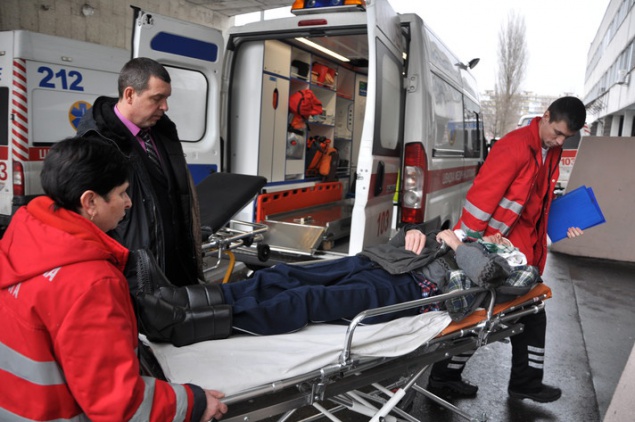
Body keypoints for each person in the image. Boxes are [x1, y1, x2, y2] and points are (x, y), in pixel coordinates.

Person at [0, 136, 227, 421]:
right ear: (90, 201)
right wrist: (193, 402)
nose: (129, 203)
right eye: (122, 193)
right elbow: (120, 404)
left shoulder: (22, 239)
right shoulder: (90, 282)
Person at [427, 96, 587, 403]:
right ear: (545, 115)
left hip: (523, 250)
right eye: (556, 132)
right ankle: (450, 378)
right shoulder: (513, 147)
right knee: (488, 315)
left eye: (566, 137)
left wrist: (565, 223)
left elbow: (539, 205)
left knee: (520, 312)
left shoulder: (548, 151)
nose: (558, 141)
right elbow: (480, 201)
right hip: (495, 251)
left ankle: (459, 378)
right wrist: (466, 250)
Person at [213, 226, 539, 336]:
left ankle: (212, 321)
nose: (497, 236)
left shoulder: (506, 263)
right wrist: (412, 232)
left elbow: (485, 276)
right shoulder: (467, 239)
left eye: (503, 239)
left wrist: (456, 243)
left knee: (308, 298)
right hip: (377, 262)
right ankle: (207, 298)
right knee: (285, 274)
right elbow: (404, 242)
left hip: (407, 287)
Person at [77, 57, 201, 287]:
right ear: (130, 94)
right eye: (157, 98)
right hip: (135, 278)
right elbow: (90, 222)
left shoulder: (164, 131)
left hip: (177, 272)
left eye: (166, 98)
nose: (165, 107)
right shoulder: (98, 143)